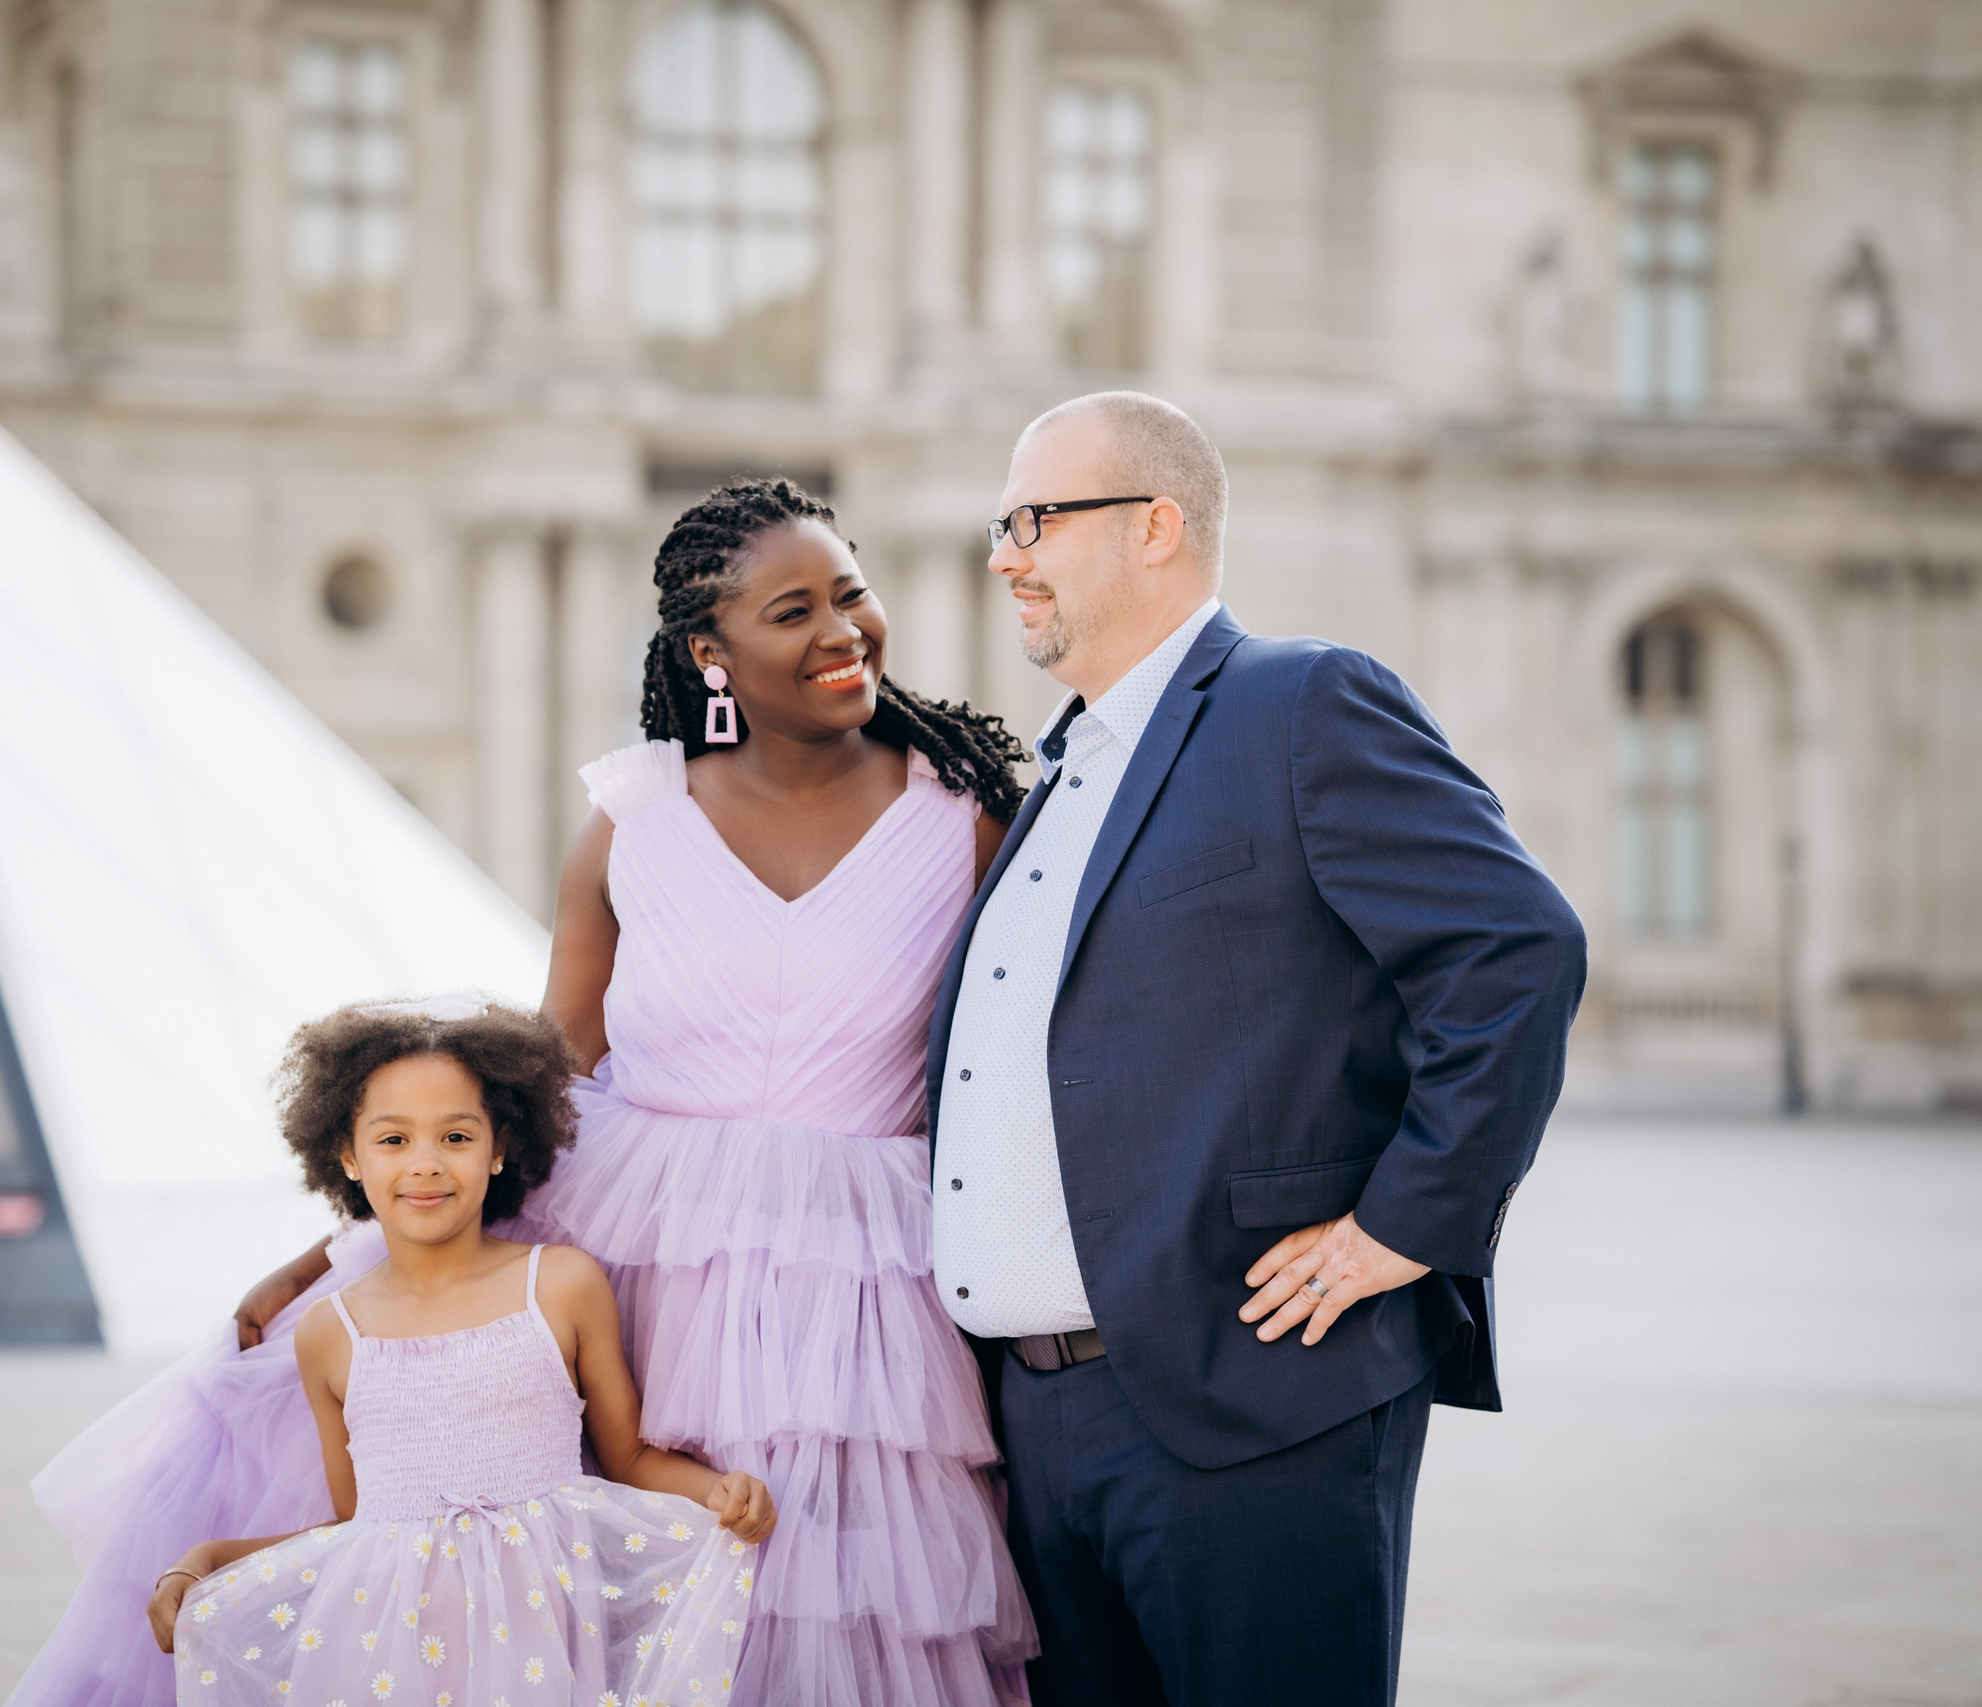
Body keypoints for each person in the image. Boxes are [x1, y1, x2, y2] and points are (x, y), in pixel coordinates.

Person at [227, 479, 1040, 1706]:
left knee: (836, 1607)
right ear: (710, 652)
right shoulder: (632, 822)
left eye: (851, 594)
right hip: (639, 1270)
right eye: (792, 611)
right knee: (629, 1609)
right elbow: (531, 1086)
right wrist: (332, 1251)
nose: (841, 631)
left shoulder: (962, 819)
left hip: (866, 1296)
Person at [926, 391, 1588, 1705]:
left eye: (1035, 518)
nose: (1005, 553)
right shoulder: (1052, 775)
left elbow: (1517, 951)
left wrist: (1402, 1227)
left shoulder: (1301, 702)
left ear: (1156, 526)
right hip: (1034, 1422)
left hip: (1252, 1402)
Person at [150, 999, 775, 1704]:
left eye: (455, 1135)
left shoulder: (561, 1284)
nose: (426, 1163)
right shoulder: (330, 1332)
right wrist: (207, 1560)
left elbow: (627, 1456)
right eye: (393, 1140)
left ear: (498, 1147)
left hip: (542, 1652)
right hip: (388, 1659)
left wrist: (716, 1489)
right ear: (349, 1156)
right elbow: (358, 1530)